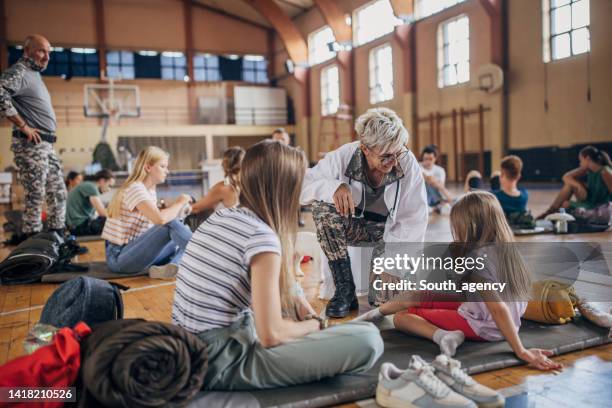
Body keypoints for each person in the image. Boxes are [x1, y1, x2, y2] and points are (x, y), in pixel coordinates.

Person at [171, 140, 383, 390]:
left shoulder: (223, 216)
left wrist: (305, 312)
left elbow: (284, 285)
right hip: (219, 361)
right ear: (287, 186)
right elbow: (271, 334)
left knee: (289, 316)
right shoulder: (261, 236)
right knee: (368, 339)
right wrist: (316, 325)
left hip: (187, 346)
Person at [356, 191, 562, 371]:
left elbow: (498, 308)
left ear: (472, 226)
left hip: (486, 325)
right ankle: (373, 315)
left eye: (458, 226)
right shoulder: (509, 251)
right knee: (416, 295)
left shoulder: (478, 260)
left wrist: (522, 351)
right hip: (484, 311)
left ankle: (444, 336)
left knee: (402, 318)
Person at [301, 107, 428, 317]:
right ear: (365, 149)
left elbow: (413, 219)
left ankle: (378, 287)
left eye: (398, 152)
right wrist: (332, 187)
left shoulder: (407, 163)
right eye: (386, 156)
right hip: (354, 226)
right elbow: (303, 185)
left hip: (387, 235)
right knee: (322, 209)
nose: (394, 161)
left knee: (382, 304)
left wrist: (393, 265)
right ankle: (344, 291)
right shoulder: (344, 156)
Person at [0, 34, 67, 239]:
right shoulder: (19, 71)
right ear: (27, 51)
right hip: (31, 144)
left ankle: (58, 243)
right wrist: (23, 125)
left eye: (49, 52)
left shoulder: (34, 74)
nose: (46, 56)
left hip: (46, 146)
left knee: (58, 194)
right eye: (41, 51)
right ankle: (32, 250)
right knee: (36, 198)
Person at [101, 146, 192, 278]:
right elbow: (160, 220)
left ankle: (173, 266)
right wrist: (179, 202)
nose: (167, 171)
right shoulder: (135, 189)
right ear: (148, 168)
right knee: (171, 223)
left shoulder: (148, 190)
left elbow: (153, 225)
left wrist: (178, 212)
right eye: (163, 166)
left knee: (181, 231)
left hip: (133, 252)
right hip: (119, 258)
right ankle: (203, 256)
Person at [537, 146, 612, 219]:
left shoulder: (605, 172)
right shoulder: (588, 169)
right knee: (569, 186)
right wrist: (578, 186)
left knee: (566, 205)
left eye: (581, 160)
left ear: (588, 158)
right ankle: (551, 212)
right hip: (590, 200)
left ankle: (554, 214)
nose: (580, 163)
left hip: (599, 206)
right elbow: (566, 177)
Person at [191, 146, 244, 214]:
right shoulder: (248, 187)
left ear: (224, 165)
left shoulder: (222, 188)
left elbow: (195, 209)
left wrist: (182, 202)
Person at [66, 169, 115, 236]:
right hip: (79, 227)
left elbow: (97, 213)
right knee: (113, 222)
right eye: (109, 185)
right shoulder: (91, 187)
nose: (109, 189)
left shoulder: (87, 185)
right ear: (102, 181)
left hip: (77, 226)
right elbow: (102, 213)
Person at [420, 145, 453, 212]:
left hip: (436, 196)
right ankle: (434, 206)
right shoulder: (418, 167)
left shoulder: (440, 170)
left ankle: (436, 206)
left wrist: (429, 179)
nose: (428, 162)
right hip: (422, 196)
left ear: (435, 158)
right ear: (423, 158)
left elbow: (440, 187)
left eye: (430, 159)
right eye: (426, 159)